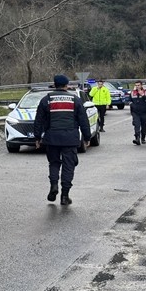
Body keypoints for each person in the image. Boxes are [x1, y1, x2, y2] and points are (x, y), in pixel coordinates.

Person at [33, 74, 92, 206]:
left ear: (54, 85)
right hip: (70, 139)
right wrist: (87, 137)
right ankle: (65, 196)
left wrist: (37, 137)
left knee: (54, 163)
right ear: (66, 85)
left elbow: (39, 120)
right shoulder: (75, 100)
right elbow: (84, 120)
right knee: (68, 166)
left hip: (51, 138)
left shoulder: (46, 100)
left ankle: (54, 186)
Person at [128, 80, 146, 145]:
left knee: (144, 126)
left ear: (141, 85)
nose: (137, 86)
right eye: (136, 85)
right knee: (136, 125)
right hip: (135, 112)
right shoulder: (132, 92)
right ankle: (137, 138)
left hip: (144, 112)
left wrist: (143, 95)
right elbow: (129, 101)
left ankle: (143, 137)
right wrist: (133, 106)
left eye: (138, 85)